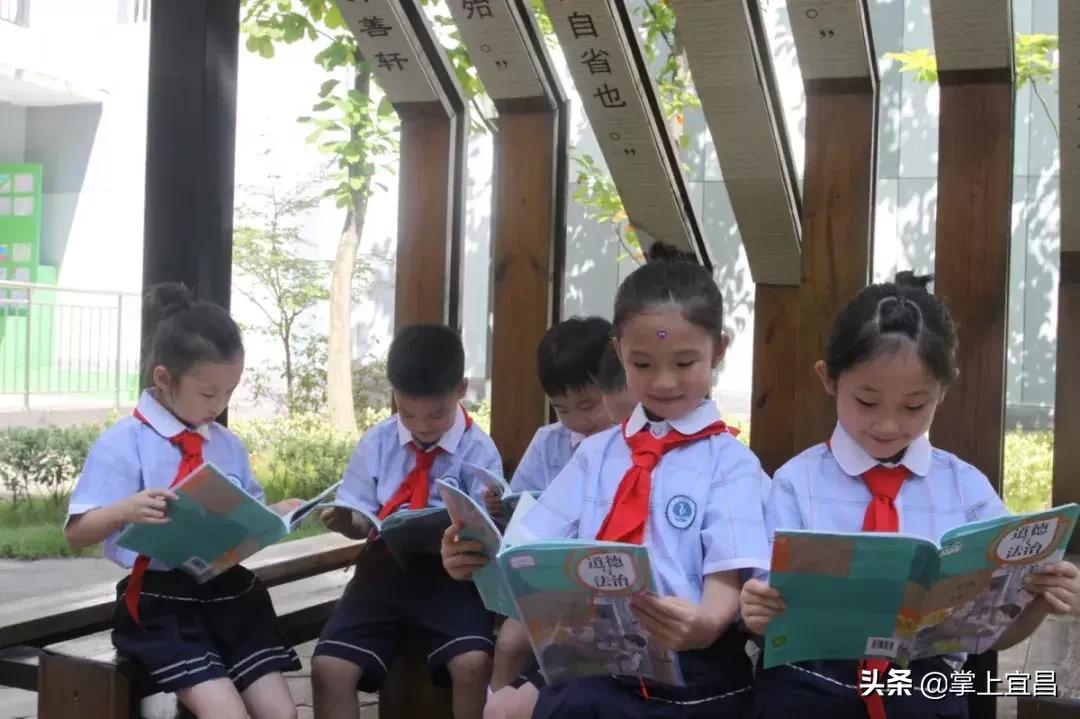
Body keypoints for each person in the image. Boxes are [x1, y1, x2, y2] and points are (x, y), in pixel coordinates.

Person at [445, 243, 771, 719]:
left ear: (718, 350)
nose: (663, 382)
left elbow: (728, 567)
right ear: (619, 352)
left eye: (684, 363)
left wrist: (705, 622)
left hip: (694, 669)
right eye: (642, 364)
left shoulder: (730, 463)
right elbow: (529, 546)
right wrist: (474, 556)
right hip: (593, 666)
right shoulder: (596, 455)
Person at [741, 272, 1080, 719]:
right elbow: (766, 614)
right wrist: (757, 613)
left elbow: (990, 635)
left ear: (944, 388)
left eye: (914, 406)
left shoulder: (968, 492)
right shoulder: (795, 484)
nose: (887, 425)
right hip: (813, 687)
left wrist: (1038, 600)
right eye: (867, 401)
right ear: (829, 379)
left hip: (923, 687)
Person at [65, 283, 302, 719]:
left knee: (281, 713)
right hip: (159, 604)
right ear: (163, 379)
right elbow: (77, 532)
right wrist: (125, 510)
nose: (220, 405)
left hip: (228, 595)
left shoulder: (226, 445)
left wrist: (276, 517)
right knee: (225, 714)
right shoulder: (125, 443)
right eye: (209, 394)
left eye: (230, 393)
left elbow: (247, 512)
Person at [313, 324, 502, 719]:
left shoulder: (478, 449)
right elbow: (361, 515)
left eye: (436, 413)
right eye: (407, 412)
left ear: (461, 389)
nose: (421, 425)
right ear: (393, 395)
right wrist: (347, 521)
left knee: (472, 662)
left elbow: (488, 526)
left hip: (453, 577)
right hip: (382, 571)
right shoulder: (378, 442)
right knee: (329, 666)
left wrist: (486, 515)